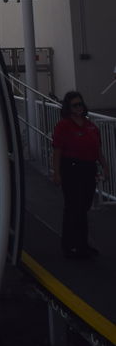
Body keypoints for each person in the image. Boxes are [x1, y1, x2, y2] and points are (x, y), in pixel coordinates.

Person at [52, 91, 109, 258]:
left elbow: (97, 149)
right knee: (73, 207)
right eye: (75, 105)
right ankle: (71, 245)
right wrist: (56, 173)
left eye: (80, 104)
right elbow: (57, 150)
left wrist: (105, 167)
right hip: (71, 168)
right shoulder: (64, 126)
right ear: (68, 108)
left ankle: (81, 244)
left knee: (83, 207)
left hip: (88, 168)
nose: (78, 107)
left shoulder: (90, 126)